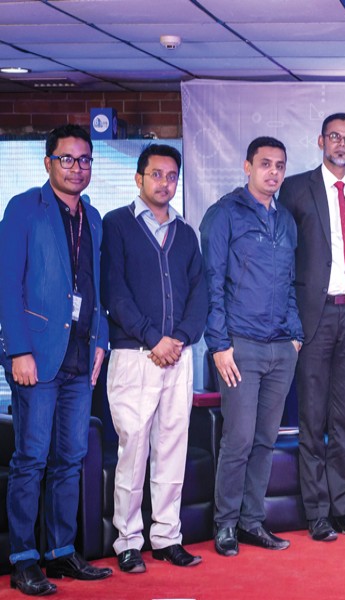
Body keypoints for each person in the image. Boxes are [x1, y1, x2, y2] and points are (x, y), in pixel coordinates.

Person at [0, 124, 112, 595]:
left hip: (80, 356)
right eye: (67, 159)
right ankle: (25, 558)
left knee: (71, 457)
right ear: (48, 163)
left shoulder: (95, 217)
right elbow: (7, 284)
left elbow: (97, 287)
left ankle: (62, 552)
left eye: (84, 159)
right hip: (37, 356)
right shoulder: (24, 208)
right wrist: (17, 350)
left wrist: (102, 340)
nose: (77, 167)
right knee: (31, 458)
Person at [100, 144, 207, 573]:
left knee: (172, 449)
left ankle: (166, 537)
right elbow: (114, 292)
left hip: (178, 357)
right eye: (156, 174)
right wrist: (152, 338)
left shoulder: (185, 232)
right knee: (133, 450)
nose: (165, 183)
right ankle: (127, 540)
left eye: (171, 176)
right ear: (139, 178)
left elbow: (199, 293)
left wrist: (179, 338)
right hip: (134, 356)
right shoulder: (117, 225)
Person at [200, 136, 304, 557]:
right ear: (247, 167)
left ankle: (251, 521)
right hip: (239, 346)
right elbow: (211, 283)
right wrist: (219, 345)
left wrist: (295, 334)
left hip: (281, 347)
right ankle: (225, 524)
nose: (273, 172)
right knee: (239, 440)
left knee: (265, 439)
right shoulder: (224, 214)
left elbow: (292, 281)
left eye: (280, 165)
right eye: (265, 164)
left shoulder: (286, 220)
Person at [280, 113, 345, 541]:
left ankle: (344, 509)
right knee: (312, 417)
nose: (341, 144)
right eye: (335, 137)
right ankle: (316, 511)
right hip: (313, 315)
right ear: (321, 140)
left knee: (344, 419)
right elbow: (284, 254)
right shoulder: (297, 187)